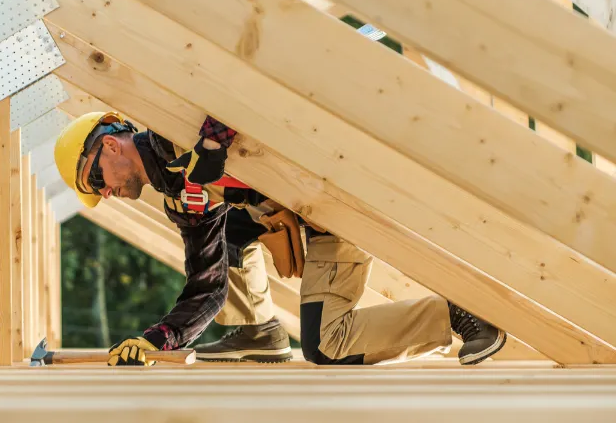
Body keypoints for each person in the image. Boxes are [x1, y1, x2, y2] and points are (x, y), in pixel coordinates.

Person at [54, 111, 507, 367]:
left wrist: (213, 140)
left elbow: (239, 69)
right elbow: (207, 284)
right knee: (229, 230)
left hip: (335, 201)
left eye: (95, 180)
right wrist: (158, 341)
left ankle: (453, 315)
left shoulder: (175, 116)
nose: (104, 193)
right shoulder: (180, 198)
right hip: (308, 219)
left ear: (109, 146)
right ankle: (260, 330)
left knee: (325, 346)